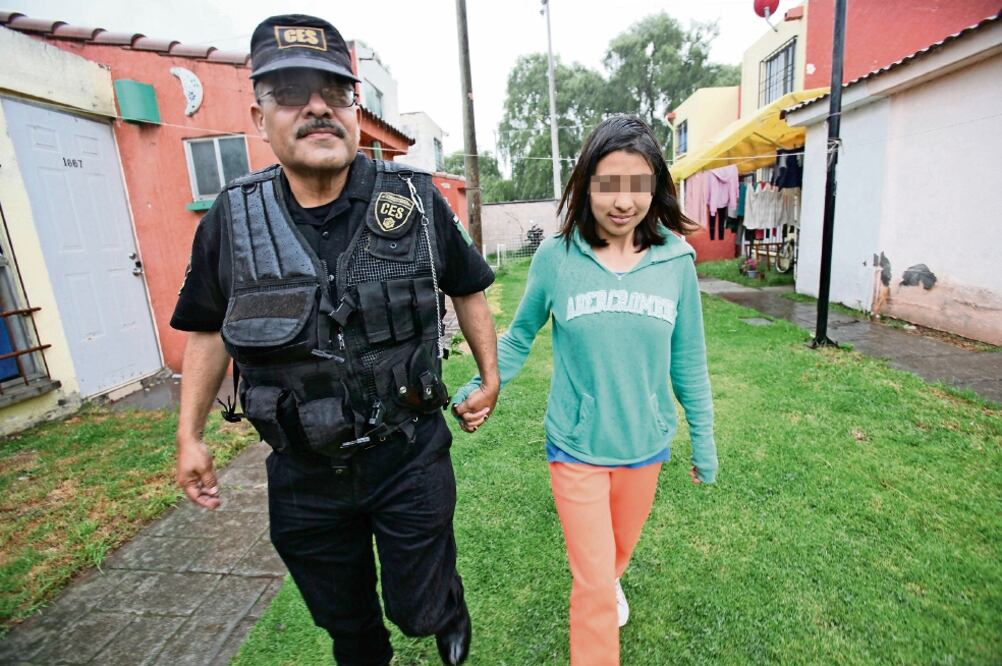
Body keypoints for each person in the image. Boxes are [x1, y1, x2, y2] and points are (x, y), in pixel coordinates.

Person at [171, 15, 499, 666]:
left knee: (416, 606)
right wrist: (190, 434)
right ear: (260, 114)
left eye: (336, 91)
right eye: (291, 90)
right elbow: (208, 327)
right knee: (346, 624)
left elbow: (466, 286)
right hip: (302, 473)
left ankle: (443, 605)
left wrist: (489, 377)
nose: (318, 106)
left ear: (355, 109)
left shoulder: (413, 200)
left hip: (408, 454)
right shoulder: (231, 222)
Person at [452, 114, 718, 666]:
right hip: (575, 447)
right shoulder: (557, 258)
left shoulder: (675, 263)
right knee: (593, 587)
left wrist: (705, 442)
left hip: (646, 444)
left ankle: (609, 576)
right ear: (586, 185)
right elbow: (520, 336)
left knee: (614, 558)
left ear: (655, 187)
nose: (623, 201)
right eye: (607, 184)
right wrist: (483, 381)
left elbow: (688, 359)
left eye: (637, 184)